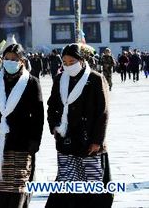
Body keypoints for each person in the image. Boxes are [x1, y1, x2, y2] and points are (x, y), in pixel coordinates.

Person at [46, 43, 112, 207]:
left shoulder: (96, 79)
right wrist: (54, 126)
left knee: (93, 183)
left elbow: (102, 112)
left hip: (89, 141)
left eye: (72, 61)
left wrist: (97, 140)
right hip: (66, 138)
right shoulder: (60, 79)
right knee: (68, 182)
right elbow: (52, 105)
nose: (68, 66)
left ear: (82, 60)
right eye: (65, 62)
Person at [0, 43, 44, 208]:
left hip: (22, 142)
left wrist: (34, 140)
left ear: (22, 61)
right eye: (6, 58)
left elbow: (38, 115)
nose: (10, 62)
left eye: (14, 59)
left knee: (18, 186)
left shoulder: (31, 82)